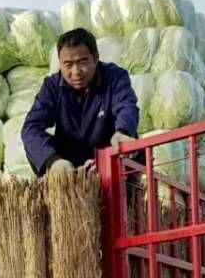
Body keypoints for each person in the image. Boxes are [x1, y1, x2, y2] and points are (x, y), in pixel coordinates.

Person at [21, 27, 139, 178]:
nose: (76, 72)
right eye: (68, 65)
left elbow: (126, 105)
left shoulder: (114, 76)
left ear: (96, 57)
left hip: (111, 160)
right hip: (70, 166)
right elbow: (31, 128)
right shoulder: (52, 86)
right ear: (60, 64)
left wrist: (123, 132)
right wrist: (53, 161)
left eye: (82, 62)